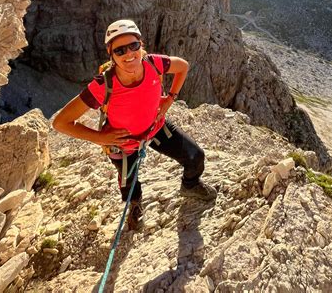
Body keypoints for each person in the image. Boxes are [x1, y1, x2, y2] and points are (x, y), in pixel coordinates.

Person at [53, 19, 217, 231]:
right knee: (129, 182)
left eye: (134, 46)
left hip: (154, 128)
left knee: (195, 156)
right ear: (111, 56)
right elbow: (61, 122)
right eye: (120, 50)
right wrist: (100, 138)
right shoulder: (104, 84)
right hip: (122, 144)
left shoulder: (154, 63)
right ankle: (135, 206)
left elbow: (182, 66)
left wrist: (170, 98)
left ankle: (190, 185)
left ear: (142, 44)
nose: (129, 54)